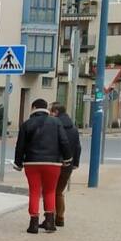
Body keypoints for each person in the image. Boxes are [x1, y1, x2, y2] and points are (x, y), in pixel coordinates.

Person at [14, 98, 73, 233]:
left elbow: (20, 146)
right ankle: (50, 222)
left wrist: (18, 163)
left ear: (34, 108)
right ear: (46, 108)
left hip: (32, 163)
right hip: (53, 163)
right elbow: (64, 141)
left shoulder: (26, 124)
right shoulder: (56, 122)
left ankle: (33, 223)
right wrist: (67, 158)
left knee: (34, 191)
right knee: (50, 191)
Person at [49, 103, 81, 226]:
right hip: (68, 163)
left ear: (56, 112)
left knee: (51, 191)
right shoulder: (73, 127)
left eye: (50, 111)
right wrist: (75, 162)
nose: (49, 114)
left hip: (55, 162)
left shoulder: (54, 125)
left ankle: (50, 217)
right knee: (59, 191)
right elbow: (78, 146)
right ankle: (60, 217)